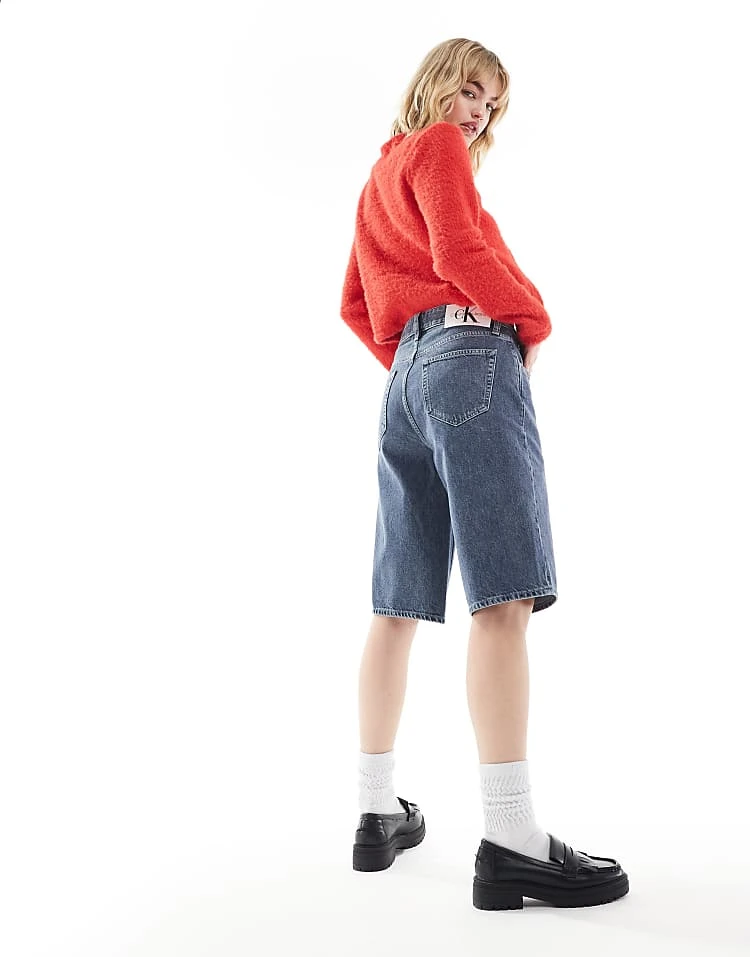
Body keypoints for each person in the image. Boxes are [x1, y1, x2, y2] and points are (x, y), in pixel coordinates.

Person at [340, 38, 629, 910]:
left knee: (397, 604)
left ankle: (375, 810)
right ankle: (512, 837)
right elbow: (462, 251)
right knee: (503, 598)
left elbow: (353, 303)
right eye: (470, 90)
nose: (478, 113)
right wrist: (531, 322)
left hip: (405, 380)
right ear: (436, 84)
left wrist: (416, 364)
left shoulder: (379, 174)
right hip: (470, 357)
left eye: (491, 104)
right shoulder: (435, 150)